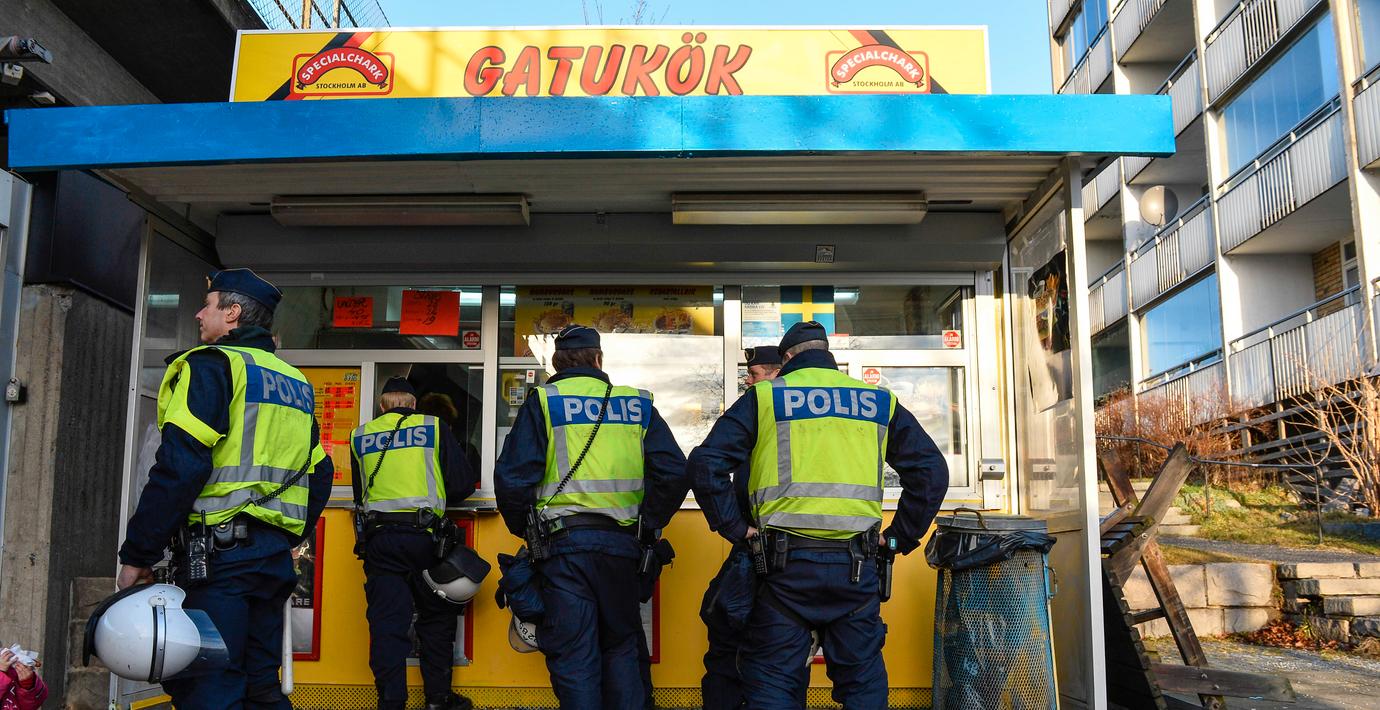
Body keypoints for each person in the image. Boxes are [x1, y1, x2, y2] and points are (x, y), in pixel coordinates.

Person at [688, 321, 950, 709]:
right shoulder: (878, 401)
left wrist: (736, 528)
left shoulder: (767, 397)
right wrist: (897, 538)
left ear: (787, 358)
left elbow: (705, 463)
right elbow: (931, 473)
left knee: (774, 684)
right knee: (861, 684)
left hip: (782, 569)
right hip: (856, 568)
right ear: (828, 354)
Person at [116, 268, 334, 709]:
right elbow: (321, 472)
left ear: (232, 313)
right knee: (261, 687)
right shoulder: (295, 382)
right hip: (271, 563)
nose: (200, 314)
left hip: (218, 563)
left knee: (212, 689)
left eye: (208, 305)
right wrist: (285, 536)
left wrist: (139, 554)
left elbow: (181, 466)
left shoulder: (211, 365)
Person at [495, 325, 689, 710]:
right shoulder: (636, 404)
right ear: (598, 359)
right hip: (621, 550)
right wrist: (647, 525)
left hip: (562, 550)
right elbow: (674, 473)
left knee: (574, 655)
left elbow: (513, 478)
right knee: (621, 647)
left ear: (556, 362)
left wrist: (527, 531)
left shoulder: (544, 401)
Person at [350, 377, 479, 710]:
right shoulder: (433, 428)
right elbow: (462, 484)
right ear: (413, 404)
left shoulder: (360, 435)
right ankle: (438, 699)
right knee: (436, 618)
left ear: (382, 406)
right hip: (425, 539)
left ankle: (391, 701)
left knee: (387, 624)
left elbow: (360, 494)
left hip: (380, 541)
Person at [700, 345, 782, 710]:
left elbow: (706, 465)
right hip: (761, 549)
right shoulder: (761, 415)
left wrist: (735, 527)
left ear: (777, 373)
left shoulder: (764, 411)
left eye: (755, 374)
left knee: (734, 640)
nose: (748, 381)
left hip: (762, 552)